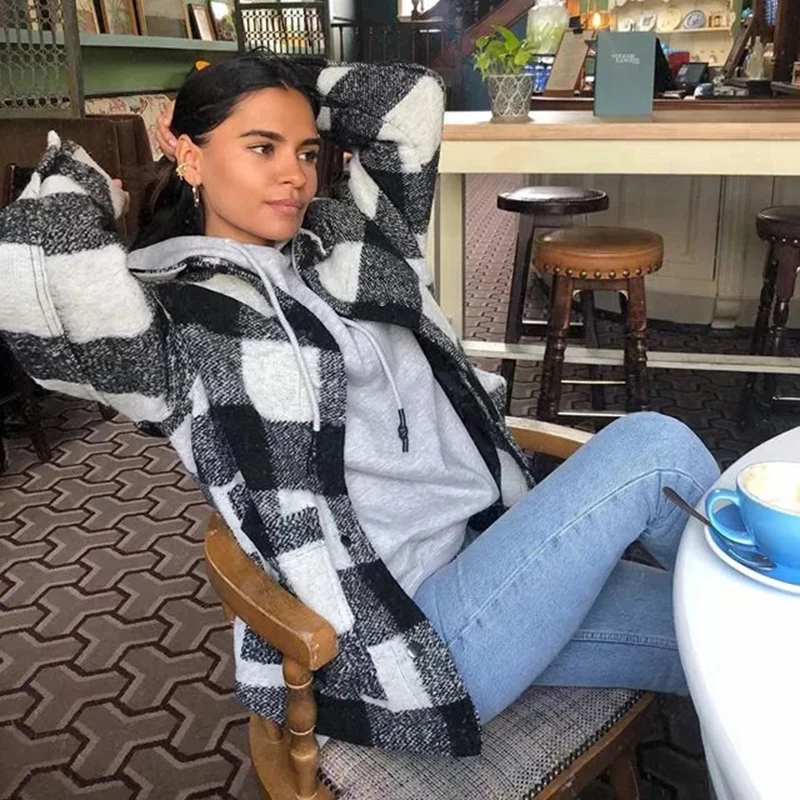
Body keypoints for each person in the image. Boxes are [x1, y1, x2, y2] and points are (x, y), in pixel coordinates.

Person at [0, 52, 718, 757]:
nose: (295, 174)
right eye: (261, 147)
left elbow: (408, 100)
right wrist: (97, 180)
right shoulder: (170, 321)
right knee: (654, 449)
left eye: (307, 151)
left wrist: (283, 81)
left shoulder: (347, 239)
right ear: (189, 154)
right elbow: (27, 278)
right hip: (407, 635)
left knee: (740, 641)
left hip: (494, 550)